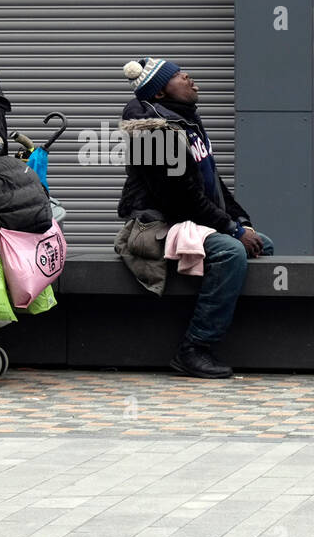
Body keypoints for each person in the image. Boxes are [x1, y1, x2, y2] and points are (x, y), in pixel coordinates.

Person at [116, 57, 274, 379]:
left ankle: (239, 335)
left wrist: (241, 221)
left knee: (261, 244)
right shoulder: (154, 136)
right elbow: (181, 201)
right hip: (157, 224)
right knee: (231, 253)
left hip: (187, 219)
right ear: (160, 94)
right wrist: (232, 230)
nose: (187, 76)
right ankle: (194, 348)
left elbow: (212, 183)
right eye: (176, 75)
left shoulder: (187, 122)